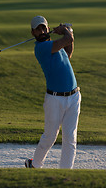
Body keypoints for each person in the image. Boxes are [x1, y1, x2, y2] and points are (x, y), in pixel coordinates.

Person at [25, 15, 81, 169]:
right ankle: (35, 164)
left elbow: (68, 52)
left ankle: (65, 173)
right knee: (50, 136)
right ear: (33, 33)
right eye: (38, 29)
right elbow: (67, 40)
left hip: (74, 96)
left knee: (70, 137)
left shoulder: (55, 46)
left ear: (48, 29)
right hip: (54, 99)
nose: (42, 31)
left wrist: (69, 33)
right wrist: (65, 32)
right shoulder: (41, 48)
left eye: (44, 27)